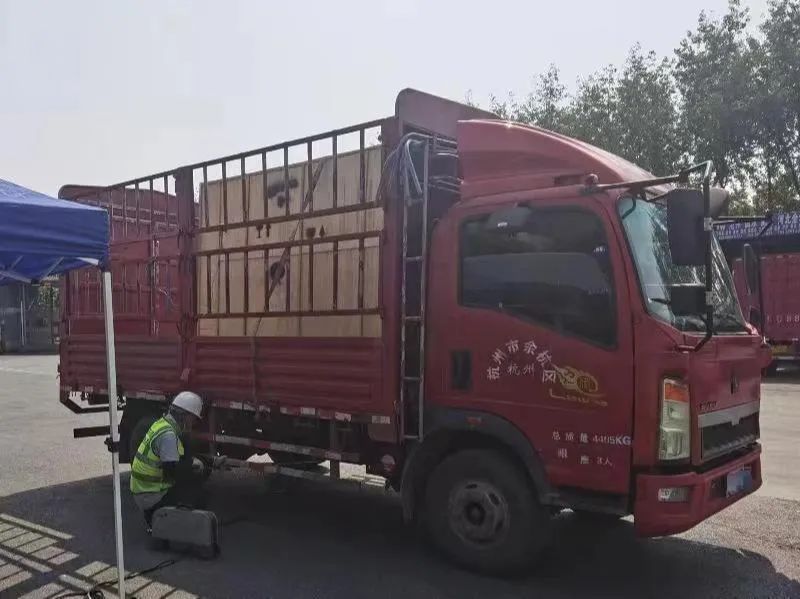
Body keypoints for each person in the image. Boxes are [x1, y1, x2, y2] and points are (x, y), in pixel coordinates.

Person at [130, 391, 212, 528]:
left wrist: (209, 461)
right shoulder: (168, 435)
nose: (193, 423)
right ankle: (167, 524)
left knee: (191, 481)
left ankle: (162, 519)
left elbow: (179, 457)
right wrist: (193, 465)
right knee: (196, 493)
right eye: (193, 419)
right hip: (150, 496)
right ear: (185, 416)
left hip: (143, 491)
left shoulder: (162, 424)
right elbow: (172, 473)